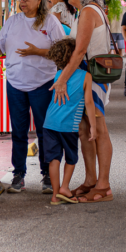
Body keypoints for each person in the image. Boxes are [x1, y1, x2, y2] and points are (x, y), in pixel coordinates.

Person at [0, 0, 66, 195]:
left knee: (44, 130)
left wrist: (37, 51)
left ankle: (47, 174)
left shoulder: (50, 22)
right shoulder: (12, 22)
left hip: (43, 84)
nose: (22, 1)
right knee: (18, 131)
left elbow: (62, 53)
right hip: (15, 85)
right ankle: (19, 174)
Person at [53, 0, 114, 203]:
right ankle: (91, 180)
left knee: (98, 128)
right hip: (90, 76)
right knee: (86, 129)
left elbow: (80, 52)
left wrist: (62, 79)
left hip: (94, 76)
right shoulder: (86, 11)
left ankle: (104, 185)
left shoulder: (88, 12)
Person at [44, 38, 92, 206]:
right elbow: (89, 104)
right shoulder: (86, 76)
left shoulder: (58, 75)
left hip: (49, 123)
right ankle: (65, 187)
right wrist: (93, 126)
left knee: (54, 159)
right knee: (71, 157)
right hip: (69, 126)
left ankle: (55, 195)